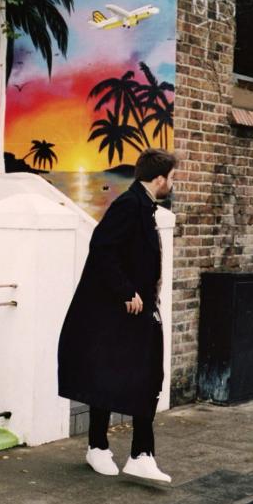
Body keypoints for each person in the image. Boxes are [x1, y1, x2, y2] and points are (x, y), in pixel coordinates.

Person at [58, 148, 177, 484]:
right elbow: (102, 248)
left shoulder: (142, 205)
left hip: (137, 310)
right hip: (121, 310)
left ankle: (138, 454)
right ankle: (103, 448)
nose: (172, 183)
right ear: (159, 178)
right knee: (119, 375)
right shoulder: (129, 205)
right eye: (171, 177)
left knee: (140, 377)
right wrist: (126, 291)